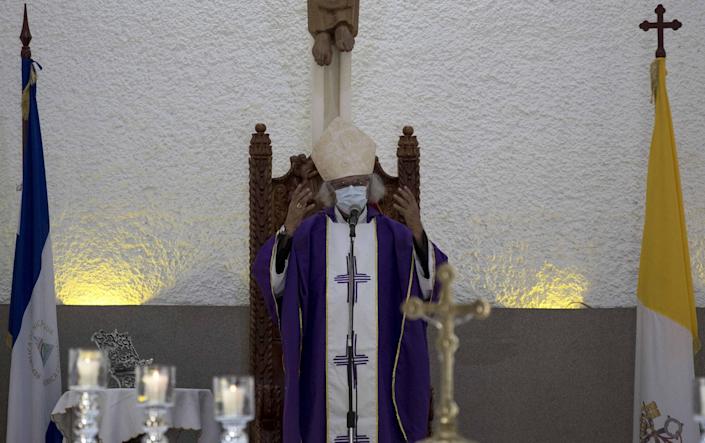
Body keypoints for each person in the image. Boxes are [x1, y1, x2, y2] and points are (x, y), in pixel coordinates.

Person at [254, 117, 447, 442]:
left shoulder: (395, 237)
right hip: (322, 369)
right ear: (330, 190)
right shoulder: (308, 236)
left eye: (359, 183)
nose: (353, 191)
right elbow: (274, 281)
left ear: (371, 186)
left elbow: (431, 286)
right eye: (344, 185)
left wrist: (417, 231)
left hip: (381, 369)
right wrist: (288, 230)